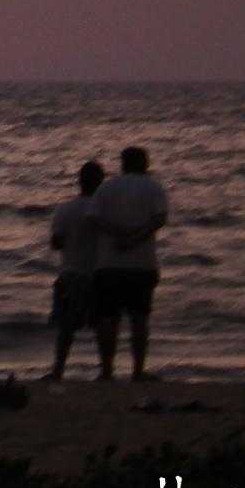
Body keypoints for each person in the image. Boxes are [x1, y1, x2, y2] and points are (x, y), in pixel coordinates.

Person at [89, 145, 168, 381]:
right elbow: (159, 219)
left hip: (109, 263)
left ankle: (106, 369)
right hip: (142, 263)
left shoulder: (106, 187)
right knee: (139, 318)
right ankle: (138, 370)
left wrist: (118, 236)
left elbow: (93, 218)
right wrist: (134, 239)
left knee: (108, 318)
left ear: (123, 164)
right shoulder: (154, 187)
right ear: (145, 163)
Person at [42, 161, 104, 380]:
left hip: (70, 272)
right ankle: (106, 370)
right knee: (101, 325)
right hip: (98, 273)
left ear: (79, 181)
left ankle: (58, 368)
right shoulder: (104, 211)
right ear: (101, 182)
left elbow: (56, 243)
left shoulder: (64, 209)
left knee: (66, 327)